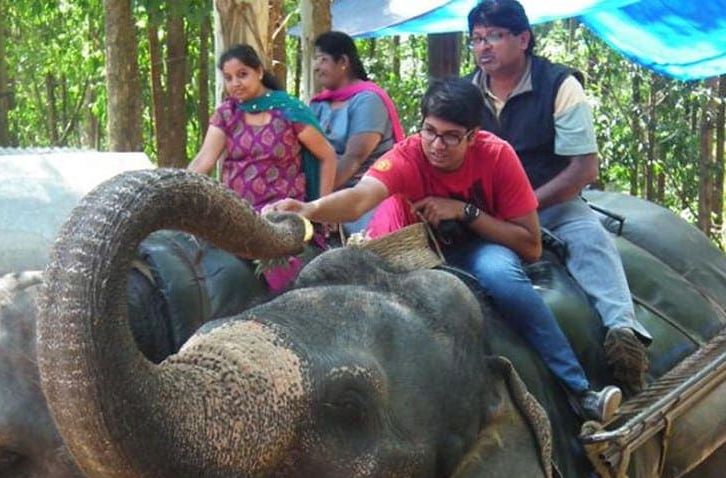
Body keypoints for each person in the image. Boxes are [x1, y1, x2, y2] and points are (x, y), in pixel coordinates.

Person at [267, 76, 621, 423]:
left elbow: (530, 246)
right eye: (430, 131)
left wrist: (465, 212)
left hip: (483, 245)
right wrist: (310, 209)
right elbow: (361, 198)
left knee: (503, 277)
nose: (437, 145)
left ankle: (578, 390)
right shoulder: (407, 156)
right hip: (413, 250)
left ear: (473, 135)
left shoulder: (498, 157)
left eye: (452, 137)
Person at [466, 0, 651, 394]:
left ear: (523, 39)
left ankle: (623, 335)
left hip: (551, 203)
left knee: (589, 239)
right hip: (488, 215)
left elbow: (583, 169)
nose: (484, 47)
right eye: (477, 39)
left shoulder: (559, 85)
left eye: (495, 36)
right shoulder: (466, 94)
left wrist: (526, 204)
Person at [188, 44, 336, 291]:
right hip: (237, 215)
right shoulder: (227, 114)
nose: (235, 83)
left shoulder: (289, 111)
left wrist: (322, 210)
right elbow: (204, 161)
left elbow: (327, 155)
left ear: (259, 71)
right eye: (228, 78)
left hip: (281, 216)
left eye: (242, 74)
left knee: (285, 284)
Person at [309, 31, 405, 234]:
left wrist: (319, 203)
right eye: (315, 60)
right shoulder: (318, 104)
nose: (316, 67)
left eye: (322, 59)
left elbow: (354, 158)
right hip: (323, 192)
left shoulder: (367, 100)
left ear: (343, 61)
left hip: (363, 195)